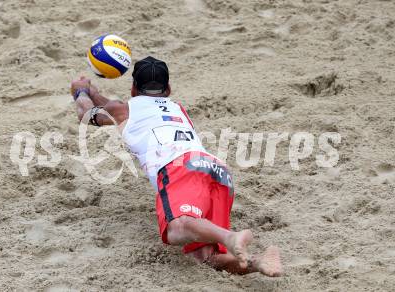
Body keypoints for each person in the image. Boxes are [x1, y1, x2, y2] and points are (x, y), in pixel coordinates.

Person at [70, 56, 282, 276]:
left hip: (179, 167)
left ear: (133, 89)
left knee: (178, 228)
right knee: (204, 258)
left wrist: (80, 92)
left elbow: (85, 114)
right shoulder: (177, 108)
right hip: (216, 169)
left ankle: (230, 237)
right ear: (168, 89)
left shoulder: (124, 109)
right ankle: (258, 262)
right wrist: (93, 93)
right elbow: (117, 110)